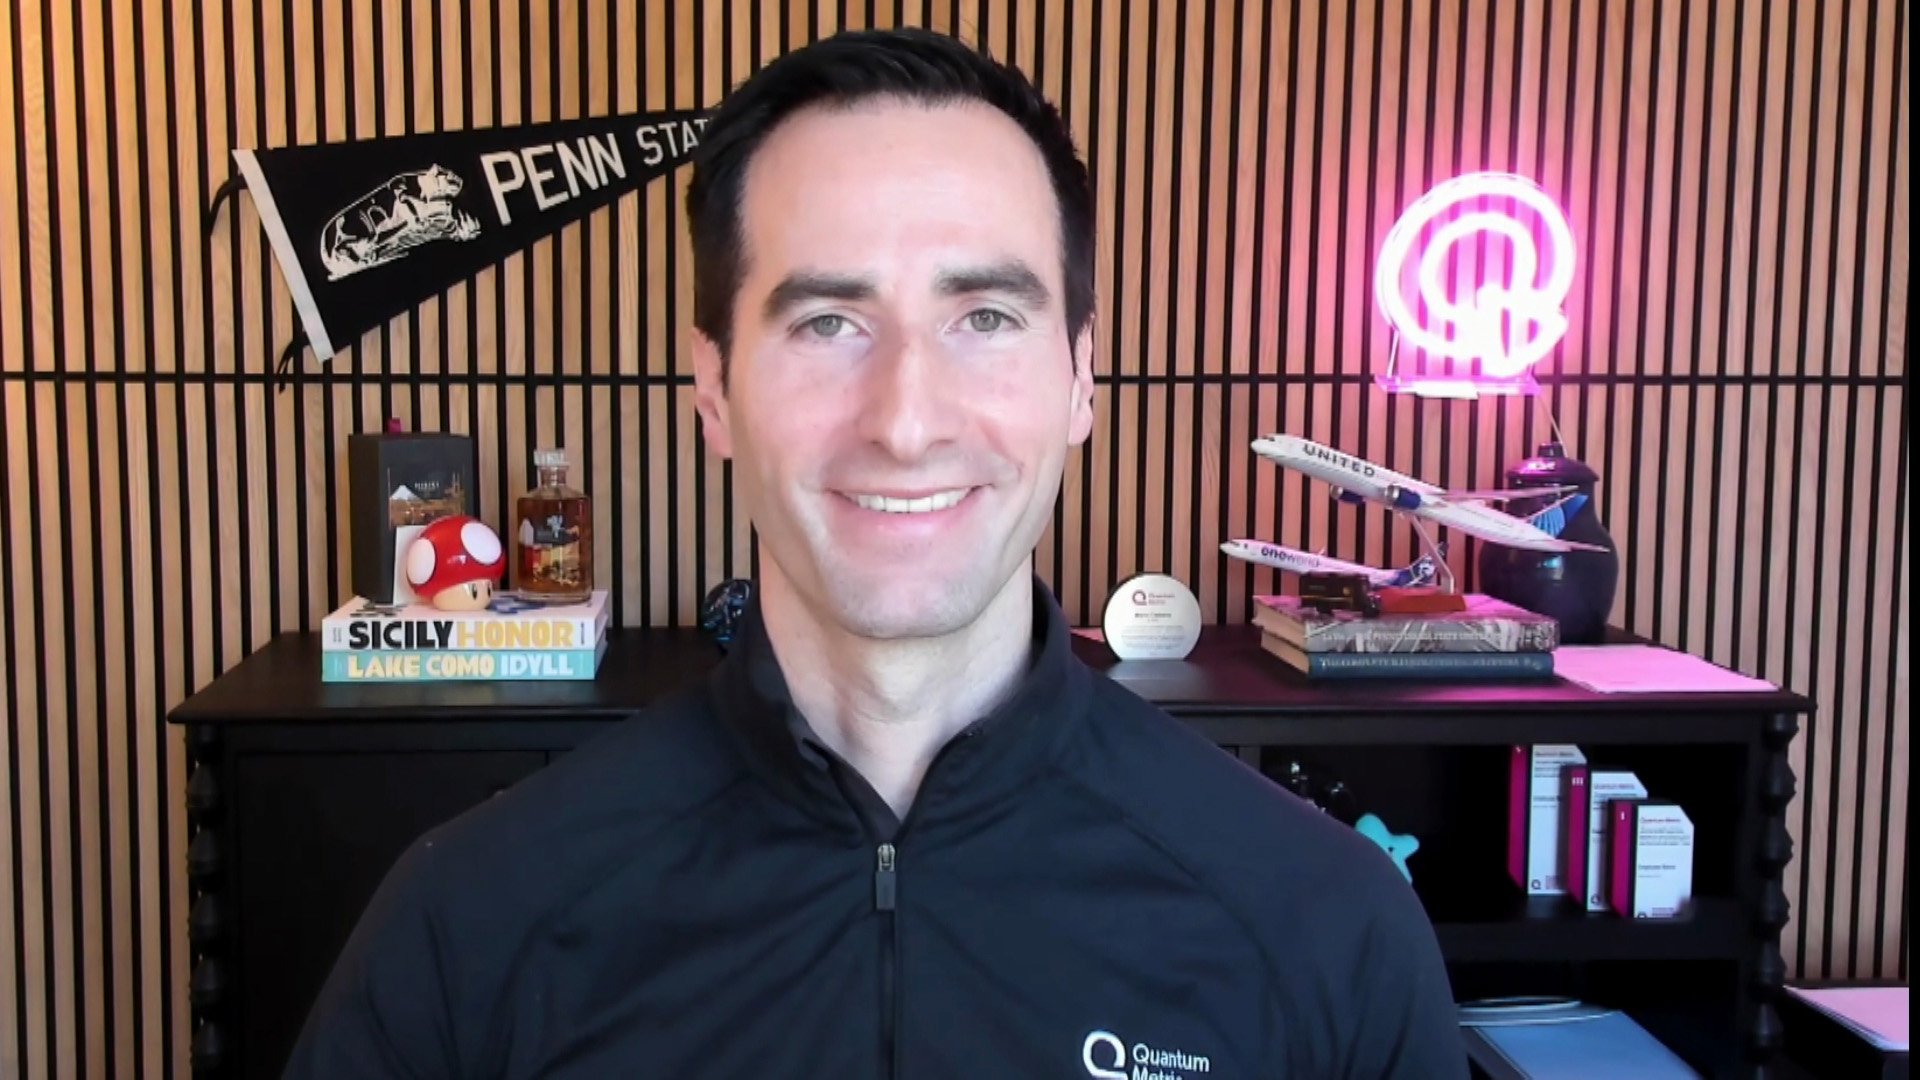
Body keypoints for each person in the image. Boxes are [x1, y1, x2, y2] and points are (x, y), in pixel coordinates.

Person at [282, 26, 1468, 1080]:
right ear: (713, 389)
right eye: (828, 322)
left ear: (1080, 377)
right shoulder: (470, 927)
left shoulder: (1326, 929)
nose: (905, 422)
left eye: (985, 317)